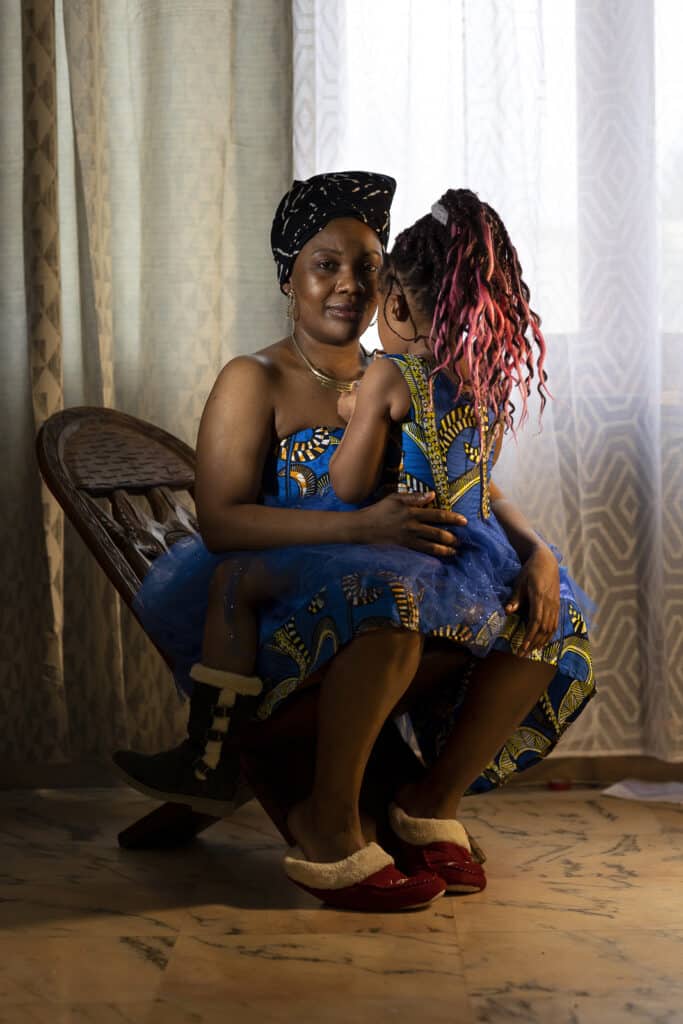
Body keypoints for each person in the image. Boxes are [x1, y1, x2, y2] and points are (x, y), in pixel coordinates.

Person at [116, 173, 595, 912]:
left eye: (367, 266)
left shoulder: (400, 371)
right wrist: (360, 527)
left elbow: (476, 483)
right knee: (389, 601)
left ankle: (427, 800)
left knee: (549, 614)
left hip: (397, 578)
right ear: (288, 275)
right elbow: (220, 523)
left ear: (390, 283)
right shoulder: (256, 378)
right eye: (324, 264)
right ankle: (329, 826)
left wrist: (537, 552)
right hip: (280, 593)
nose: (348, 284)